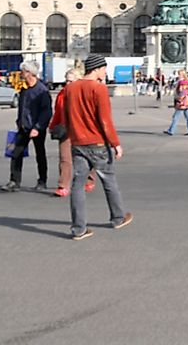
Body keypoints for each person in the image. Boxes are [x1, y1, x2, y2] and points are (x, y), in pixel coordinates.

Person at [63, 54, 132, 241]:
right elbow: (105, 120)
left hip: (77, 142)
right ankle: (118, 217)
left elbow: (67, 117)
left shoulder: (71, 88)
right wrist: (115, 143)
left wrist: (73, 135)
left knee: (77, 185)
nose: (105, 71)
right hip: (97, 142)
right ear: (96, 69)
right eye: (103, 68)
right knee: (108, 180)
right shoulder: (98, 89)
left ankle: (78, 228)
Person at [0, 61, 53, 192]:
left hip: (36, 128)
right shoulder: (24, 89)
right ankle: (14, 181)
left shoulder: (42, 90)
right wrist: (19, 122)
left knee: (40, 154)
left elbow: (46, 112)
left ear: (29, 73)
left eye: (23, 71)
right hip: (24, 127)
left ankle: (42, 181)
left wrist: (37, 127)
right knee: (16, 153)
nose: (21, 74)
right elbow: (23, 108)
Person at [49, 68, 95, 198]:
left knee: (87, 155)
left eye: (71, 81)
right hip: (65, 129)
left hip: (82, 129)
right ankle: (63, 185)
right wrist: (53, 125)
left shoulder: (84, 93)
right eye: (66, 81)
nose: (68, 84)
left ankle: (90, 179)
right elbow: (58, 111)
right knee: (65, 158)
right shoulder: (62, 94)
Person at [164, 69, 188, 135]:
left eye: (179, 74)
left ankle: (171, 130)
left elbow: (183, 92)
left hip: (182, 101)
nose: (178, 75)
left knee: (176, 117)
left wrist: (179, 100)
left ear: (182, 75)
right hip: (187, 101)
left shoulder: (182, 82)